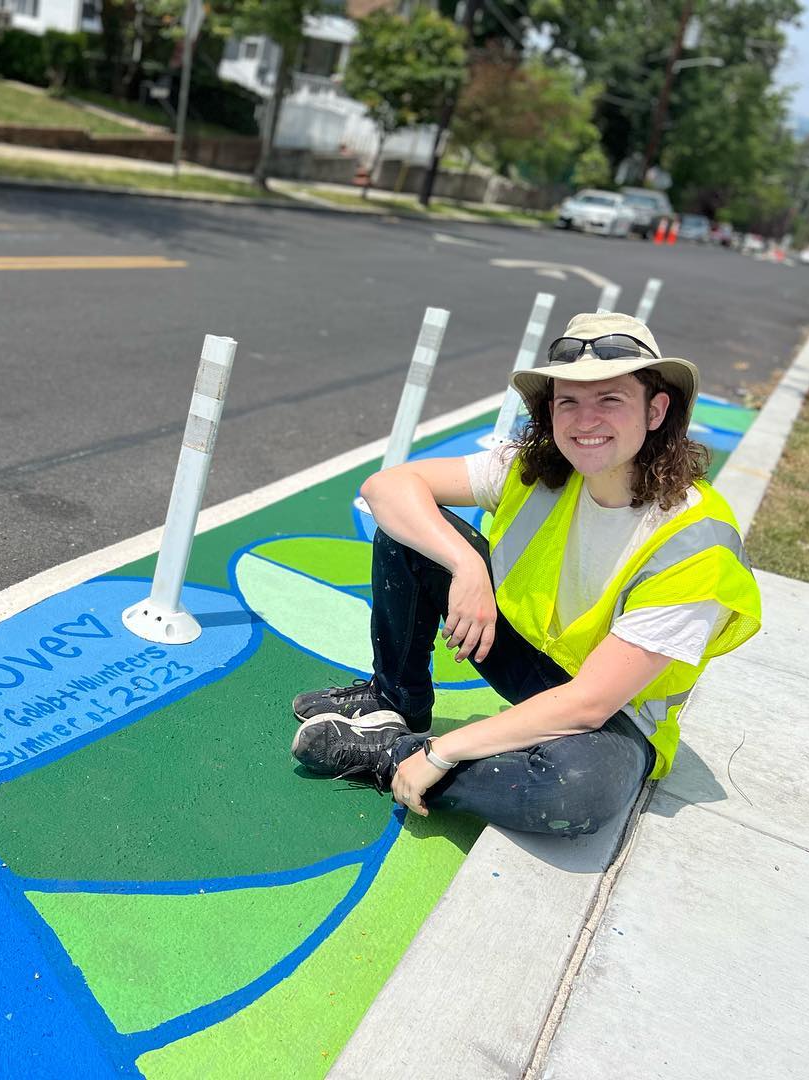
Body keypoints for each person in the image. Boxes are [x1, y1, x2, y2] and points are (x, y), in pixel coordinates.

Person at [289, 312, 762, 837]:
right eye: (569, 401)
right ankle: (396, 700)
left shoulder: (696, 543)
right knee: (411, 533)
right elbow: (387, 488)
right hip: (531, 660)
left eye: (610, 399)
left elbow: (590, 704)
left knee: (580, 790)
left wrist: (443, 752)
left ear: (655, 411)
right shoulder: (539, 467)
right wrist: (466, 565)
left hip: (615, 711)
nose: (585, 421)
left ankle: (393, 754)